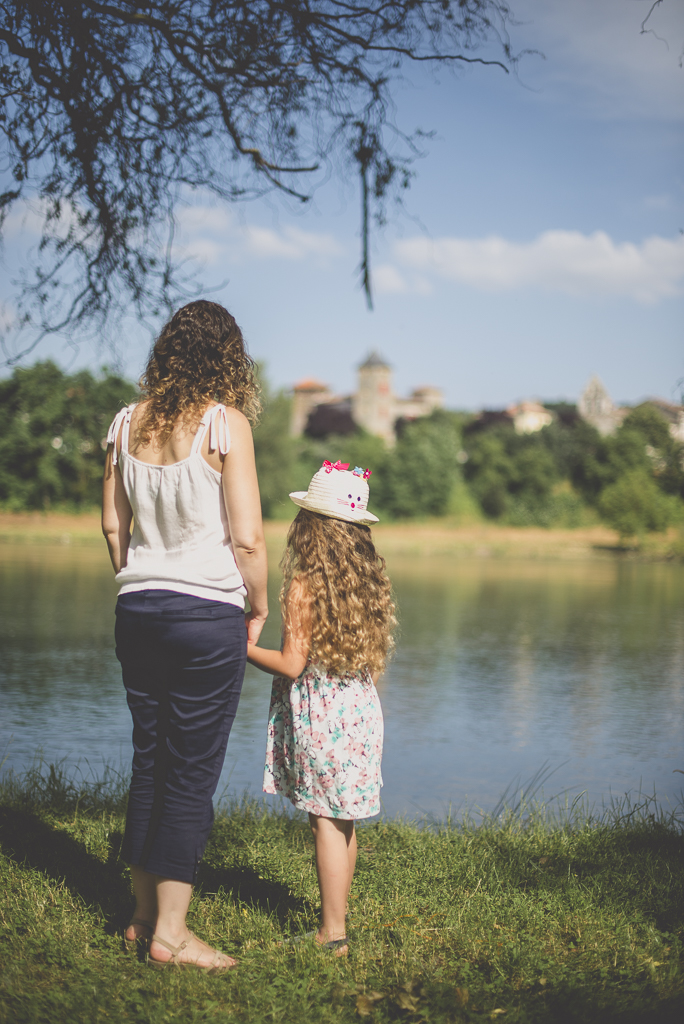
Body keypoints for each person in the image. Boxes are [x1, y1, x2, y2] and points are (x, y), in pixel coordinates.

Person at [102, 300, 268, 972]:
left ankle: (142, 919)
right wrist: (257, 606)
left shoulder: (124, 423)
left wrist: (140, 578)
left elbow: (115, 528)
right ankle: (172, 934)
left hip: (137, 607)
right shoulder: (225, 425)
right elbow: (249, 536)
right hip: (207, 614)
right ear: (227, 356)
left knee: (151, 758)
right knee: (191, 773)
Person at [247, 461, 395, 955]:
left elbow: (292, 664)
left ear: (309, 528)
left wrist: (238, 645)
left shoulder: (305, 586)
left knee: (325, 824)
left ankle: (332, 935)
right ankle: (338, 923)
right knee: (342, 820)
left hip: (323, 717)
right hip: (359, 710)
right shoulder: (368, 582)